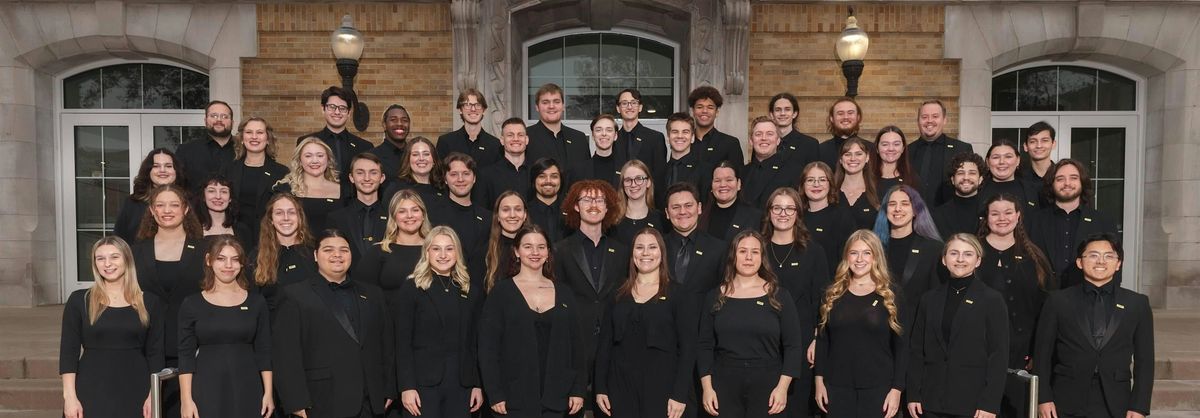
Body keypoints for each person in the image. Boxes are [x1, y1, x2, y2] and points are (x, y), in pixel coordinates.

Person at [273, 229, 396, 418]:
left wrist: (388, 389)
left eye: (344, 250)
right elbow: (286, 355)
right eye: (328, 250)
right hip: (322, 402)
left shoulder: (373, 294)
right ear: (316, 255)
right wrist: (296, 402)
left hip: (371, 402)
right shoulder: (294, 295)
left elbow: (386, 345)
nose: (337, 255)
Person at [1033, 233, 1154, 418]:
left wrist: (1139, 406)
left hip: (1117, 402)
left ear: (1118, 263)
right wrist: (1043, 398)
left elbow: (1145, 360)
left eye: (1109, 256)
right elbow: (1042, 355)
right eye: (1093, 255)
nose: (1101, 261)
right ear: (1080, 262)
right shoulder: (1058, 301)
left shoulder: (1137, 303)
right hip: (1065, 399)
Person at [478, 224, 587, 417]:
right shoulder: (501, 293)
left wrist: (578, 390)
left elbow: (577, 346)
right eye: (527, 246)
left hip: (558, 398)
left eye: (541, 247)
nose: (535, 252)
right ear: (516, 251)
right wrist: (494, 392)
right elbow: (488, 348)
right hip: (513, 398)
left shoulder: (565, 293)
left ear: (548, 252)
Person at [698, 230, 805, 418]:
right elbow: (704, 346)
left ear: (762, 257)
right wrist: (707, 388)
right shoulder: (714, 297)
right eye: (742, 251)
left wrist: (782, 388)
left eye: (755, 252)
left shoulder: (779, 296)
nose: (748, 257)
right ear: (733, 255)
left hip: (769, 385)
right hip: (724, 384)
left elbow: (793, 346)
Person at [594, 228, 697, 418]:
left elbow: (688, 349)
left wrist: (680, 394)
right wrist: (600, 387)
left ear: (662, 253)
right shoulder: (617, 294)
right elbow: (604, 344)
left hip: (663, 390)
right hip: (620, 388)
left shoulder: (678, 294)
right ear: (632, 253)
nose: (646, 253)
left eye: (652, 247)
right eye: (639, 247)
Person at [61, 236, 164, 418]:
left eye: (114, 257)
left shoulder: (149, 302)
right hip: (90, 389)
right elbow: (69, 353)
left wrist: (153, 395)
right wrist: (69, 397)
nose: (107, 264)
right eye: (100, 258)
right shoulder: (80, 300)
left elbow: (156, 353)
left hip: (137, 389)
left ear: (127, 259)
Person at [907, 234, 1008, 418]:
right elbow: (917, 350)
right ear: (944, 259)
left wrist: (990, 403)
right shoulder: (929, 299)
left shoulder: (992, 300)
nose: (960, 259)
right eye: (954, 253)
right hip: (931, 401)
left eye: (968, 254)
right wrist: (913, 393)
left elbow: (998, 355)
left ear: (978, 261)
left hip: (973, 405)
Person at [554, 180, 630, 411]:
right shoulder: (560, 250)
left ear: (608, 207)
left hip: (613, 344)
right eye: (587, 199)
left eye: (599, 200)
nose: (594, 205)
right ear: (576, 206)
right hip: (574, 343)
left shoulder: (623, 252)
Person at [131, 184, 206, 418]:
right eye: (160, 205)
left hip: (192, 348)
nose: (167, 210)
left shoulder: (204, 250)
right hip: (147, 346)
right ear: (152, 210)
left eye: (174, 204)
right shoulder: (136, 251)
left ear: (185, 209)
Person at [977, 193, 1055, 418]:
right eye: (995, 213)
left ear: (1018, 215)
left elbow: (1046, 309)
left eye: (1008, 212)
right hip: (979, 354)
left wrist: (1037, 352)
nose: (1002, 218)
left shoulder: (1034, 256)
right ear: (986, 218)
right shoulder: (971, 253)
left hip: (1023, 355)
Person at [395, 226, 485, 418]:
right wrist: (407, 386)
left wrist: (477, 384)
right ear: (427, 252)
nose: (443, 255)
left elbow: (475, 343)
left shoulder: (470, 291)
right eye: (436, 249)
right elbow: (402, 342)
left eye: (449, 249)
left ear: (457, 253)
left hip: (462, 386)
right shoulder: (412, 288)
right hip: (422, 386)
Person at [813, 230, 905, 418]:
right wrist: (819, 382)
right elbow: (822, 342)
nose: (859, 259)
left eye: (866, 253)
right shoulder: (832, 294)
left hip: (879, 390)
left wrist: (897, 390)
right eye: (854, 253)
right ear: (846, 257)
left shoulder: (891, 295)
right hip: (836, 388)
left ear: (875, 257)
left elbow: (902, 347)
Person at [178, 236, 273, 418]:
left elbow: (264, 350)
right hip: (206, 388)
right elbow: (186, 355)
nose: (228, 265)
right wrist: (186, 399)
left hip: (248, 386)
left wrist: (268, 393)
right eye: (221, 259)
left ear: (242, 263)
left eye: (235, 259)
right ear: (209, 260)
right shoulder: (192, 304)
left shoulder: (257, 302)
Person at [761, 187, 829, 418]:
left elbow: (823, 300)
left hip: (801, 344)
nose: (783, 213)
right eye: (777, 208)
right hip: (762, 345)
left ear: (798, 213)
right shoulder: (756, 250)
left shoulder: (814, 252)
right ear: (769, 212)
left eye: (790, 208)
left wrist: (817, 338)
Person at [1027, 159, 1119, 289]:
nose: (1067, 183)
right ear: (1052, 184)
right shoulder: (1035, 220)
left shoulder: (1103, 221)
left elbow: (1114, 263)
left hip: (1089, 296)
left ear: (1082, 182)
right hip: (1044, 296)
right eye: (1060, 179)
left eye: (1073, 178)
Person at [356, 190, 432, 309]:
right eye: (402, 211)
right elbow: (362, 295)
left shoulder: (435, 250)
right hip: (388, 318)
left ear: (423, 215)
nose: (409, 215)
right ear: (394, 217)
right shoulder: (378, 251)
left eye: (415, 210)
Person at [296, 86, 373, 198]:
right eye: (332, 107)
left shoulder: (364, 146)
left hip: (353, 204)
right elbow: (298, 175)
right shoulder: (306, 143)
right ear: (323, 109)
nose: (337, 112)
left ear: (349, 113)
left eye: (342, 108)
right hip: (315, 201)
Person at [873, 185, 944, 303]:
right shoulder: (873, 247)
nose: (898, 209)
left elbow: (936, 294)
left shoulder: (933, 249)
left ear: (915, 210)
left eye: (905, 204)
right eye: (892, 204)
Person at [222, 117, 289, 240]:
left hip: (270, 237)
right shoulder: (228, 170)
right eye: (249, 132)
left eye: (259, 132)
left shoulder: (282, 172)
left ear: (268, 139)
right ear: (242, 139)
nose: (254, 137)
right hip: (234, 236)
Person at [252, 193, 318, 312]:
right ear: (271, 219)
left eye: (291, 212)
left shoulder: (315, 252)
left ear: (300, 217)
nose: (286, 218)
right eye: (279, 213)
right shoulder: (257, 255)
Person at [663, 183, 727, 297]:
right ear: (667, 213)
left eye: (688, 205)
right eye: (676, 207)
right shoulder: (657, 247)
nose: (682, 212)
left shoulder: (718, 249)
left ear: (699, 208)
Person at [907, 100, 974, 206]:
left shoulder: (962, 149)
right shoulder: (906, 151)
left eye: (935, 116)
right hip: (914, 214)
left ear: (944, 120)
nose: (929, 121)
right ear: (918, 121)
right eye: (924, 117)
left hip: (950, 214)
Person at [273, 137, 344, 235]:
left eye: (320, 155)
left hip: (332, 244)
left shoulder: (344, 190)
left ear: (328, 159)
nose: (314, 160)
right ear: (300, 160)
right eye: (308, 156)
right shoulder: (285, 190)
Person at [115, 148, 188, 243]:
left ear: (177, 171)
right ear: (148, 171)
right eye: (156, 166)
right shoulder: (132, 203)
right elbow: (119, 240)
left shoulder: (190, 201)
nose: (162, 170)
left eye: (168, 166)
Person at [325, 152, 388, 261]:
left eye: (373, 173)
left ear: (382, 178)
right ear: (351, 177)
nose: (367, 178)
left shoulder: (394, 216)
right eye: (360, 173)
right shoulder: (336, 218)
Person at [440, 152, 493, 281]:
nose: (460, 179)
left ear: (474, 178)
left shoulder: (488, 217)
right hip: (445, 284)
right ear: (445, 179)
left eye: (466, 173)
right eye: (454, 174)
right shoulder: (434, 214)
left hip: (481, 286)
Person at [526, 83, 591, 187]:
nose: (551, 106)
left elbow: (587, 175)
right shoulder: (526, 137)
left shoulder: (579, 138)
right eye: (545, 102)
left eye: (556, 102)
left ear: (563, 106)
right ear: (537, 107)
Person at [801, 162, 857, 277]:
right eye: (810, 180)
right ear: (803, 185)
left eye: (822, 180)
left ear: (830, 184)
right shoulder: (796, 216)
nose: (816, 184)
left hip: (833, 282)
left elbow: (848, 257)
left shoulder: (841, 216)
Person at [742, 116, 803, 208]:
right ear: (751, 141)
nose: (764, 138)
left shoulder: (794, 172)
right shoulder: (742, 172)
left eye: (769, 134)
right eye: (758, 134)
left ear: (778, 140)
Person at [178, 100, 236, 194]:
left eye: (224, 116)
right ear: (205, 121)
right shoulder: (186, 151)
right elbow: (177, 186)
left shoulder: (244, 150)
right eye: (214, 116)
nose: (219, 120)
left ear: (232, 122)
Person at [658, 112, 713, 209]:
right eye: (675, 132)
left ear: (692, 138)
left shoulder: (705, 170)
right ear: (668, 137)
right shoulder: (660, 171)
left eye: (685, 132)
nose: (680, 136)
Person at [438, 88, 503, 168]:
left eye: (478, 105)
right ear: (460, 110)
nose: (473, 109)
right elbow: (440, 173)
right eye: (468, 105)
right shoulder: (445, 142)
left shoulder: (495, 145)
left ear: (484, 110)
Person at [476, 118, 534, 208]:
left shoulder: (537, 173)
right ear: (502, 140)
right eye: (510, 135)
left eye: (520, 135)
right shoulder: (486, 175)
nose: (516, 139)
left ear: (526, 140)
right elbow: (481, 210)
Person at [382, 136, 447, 214]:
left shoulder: (443, 188)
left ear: (434, 160)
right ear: (408, 160)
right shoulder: (395, 188)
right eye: (415, 154)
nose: (421, 158)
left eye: (426, 154)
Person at [615, 88, 668, 181]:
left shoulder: (655, 138)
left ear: (640, 107)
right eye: (624, 103)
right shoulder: (613, 139)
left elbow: (660, 175)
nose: (629, 107)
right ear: (618, 108)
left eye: (634, 103)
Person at [702, 161, 763, 241]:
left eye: (729, 180)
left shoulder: (754, 217)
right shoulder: (700, 214)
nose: (723, 185)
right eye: (717, 181)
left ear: (738, 184)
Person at [932, 152, 987, 239]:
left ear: (980, 179)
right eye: (960, 173)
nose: (966, 177)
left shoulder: (989, 211)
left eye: (972, 173)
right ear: (953, 180)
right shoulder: (938, 215)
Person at [612, 160, 667, 246]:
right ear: (622, 185)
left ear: (648, 182)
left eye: (639, 179)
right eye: (628, 180)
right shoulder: (612, 220)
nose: (633, 184)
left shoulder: (661, 220)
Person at [688, 86, 744, 168]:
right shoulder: (685, 141)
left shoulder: (730, 144)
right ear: (693, 111)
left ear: (717, 112)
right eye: (699, 107)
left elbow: (738, 174)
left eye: (710, 107)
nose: (704, 111)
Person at [484, 191, 530, 291]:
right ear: (497, 216)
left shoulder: (535, 251)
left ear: (525, 215)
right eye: (506, 210)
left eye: (518, 209)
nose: (512, 215)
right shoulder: (485, 252)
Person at [978, 140, 1042, 210]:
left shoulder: (1032, 190)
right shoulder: (978, 190)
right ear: (987, 162)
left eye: (1008, 157)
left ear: (1018, 160)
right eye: (996, 157)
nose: (1002, 162)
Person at [835, 137, 881, 230]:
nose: (853, 158)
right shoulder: (830, 192)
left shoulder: (878, 191)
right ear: (841, 159)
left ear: (867, 157)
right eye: (847, 154)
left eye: (858, 154)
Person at [818, 97, 873, 170]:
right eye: (840, 113)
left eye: (850, 113)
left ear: (858, 117)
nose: (846, 117)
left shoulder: (871, 149)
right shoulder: (820, 150)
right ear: (832, 118)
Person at [193, 175, 252, 240]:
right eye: (212, 191)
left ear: (230, 198)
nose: (218, 196)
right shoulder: (192, 230)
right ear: (203, 196)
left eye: (224, 192)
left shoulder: (243, 231)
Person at [768, 92, 820, 166]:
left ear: (794, 114)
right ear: (771, 115)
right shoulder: (764, 143)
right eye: (778, 110)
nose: (782, 113)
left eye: (787, 109)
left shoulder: (810, 144)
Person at [872, 125, 920, 201]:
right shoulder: (867, 177)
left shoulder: (912, 179)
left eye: (896, 144)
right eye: (885, 144)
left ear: (903, 148)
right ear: (877, 148)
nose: (891, 149)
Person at [370, 104, 412, 190]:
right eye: (393, 120)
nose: (400, 123)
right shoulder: (372, 157)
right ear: (384, 125)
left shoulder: (416, 156)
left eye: (404, 120)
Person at [528, 158, 568, 243]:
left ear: (561, 180)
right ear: (534, 180)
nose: (548, 181)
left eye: (554, 176)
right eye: (542, 176)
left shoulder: (571, 211)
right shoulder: (525, 212)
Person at [584, 114, 625, 188]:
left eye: (609, 130)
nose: (604, 134)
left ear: (615, 136)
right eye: (598, 130)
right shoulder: (579, 171)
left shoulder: (626, 169)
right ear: (593, 135)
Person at [1019, 121, 1057, 187]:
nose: (1039, 146)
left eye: (1044, 140)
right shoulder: (1017, 176)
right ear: (1025, 146)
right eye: (1033, 141)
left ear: (1053, 144)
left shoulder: (1060, 174)